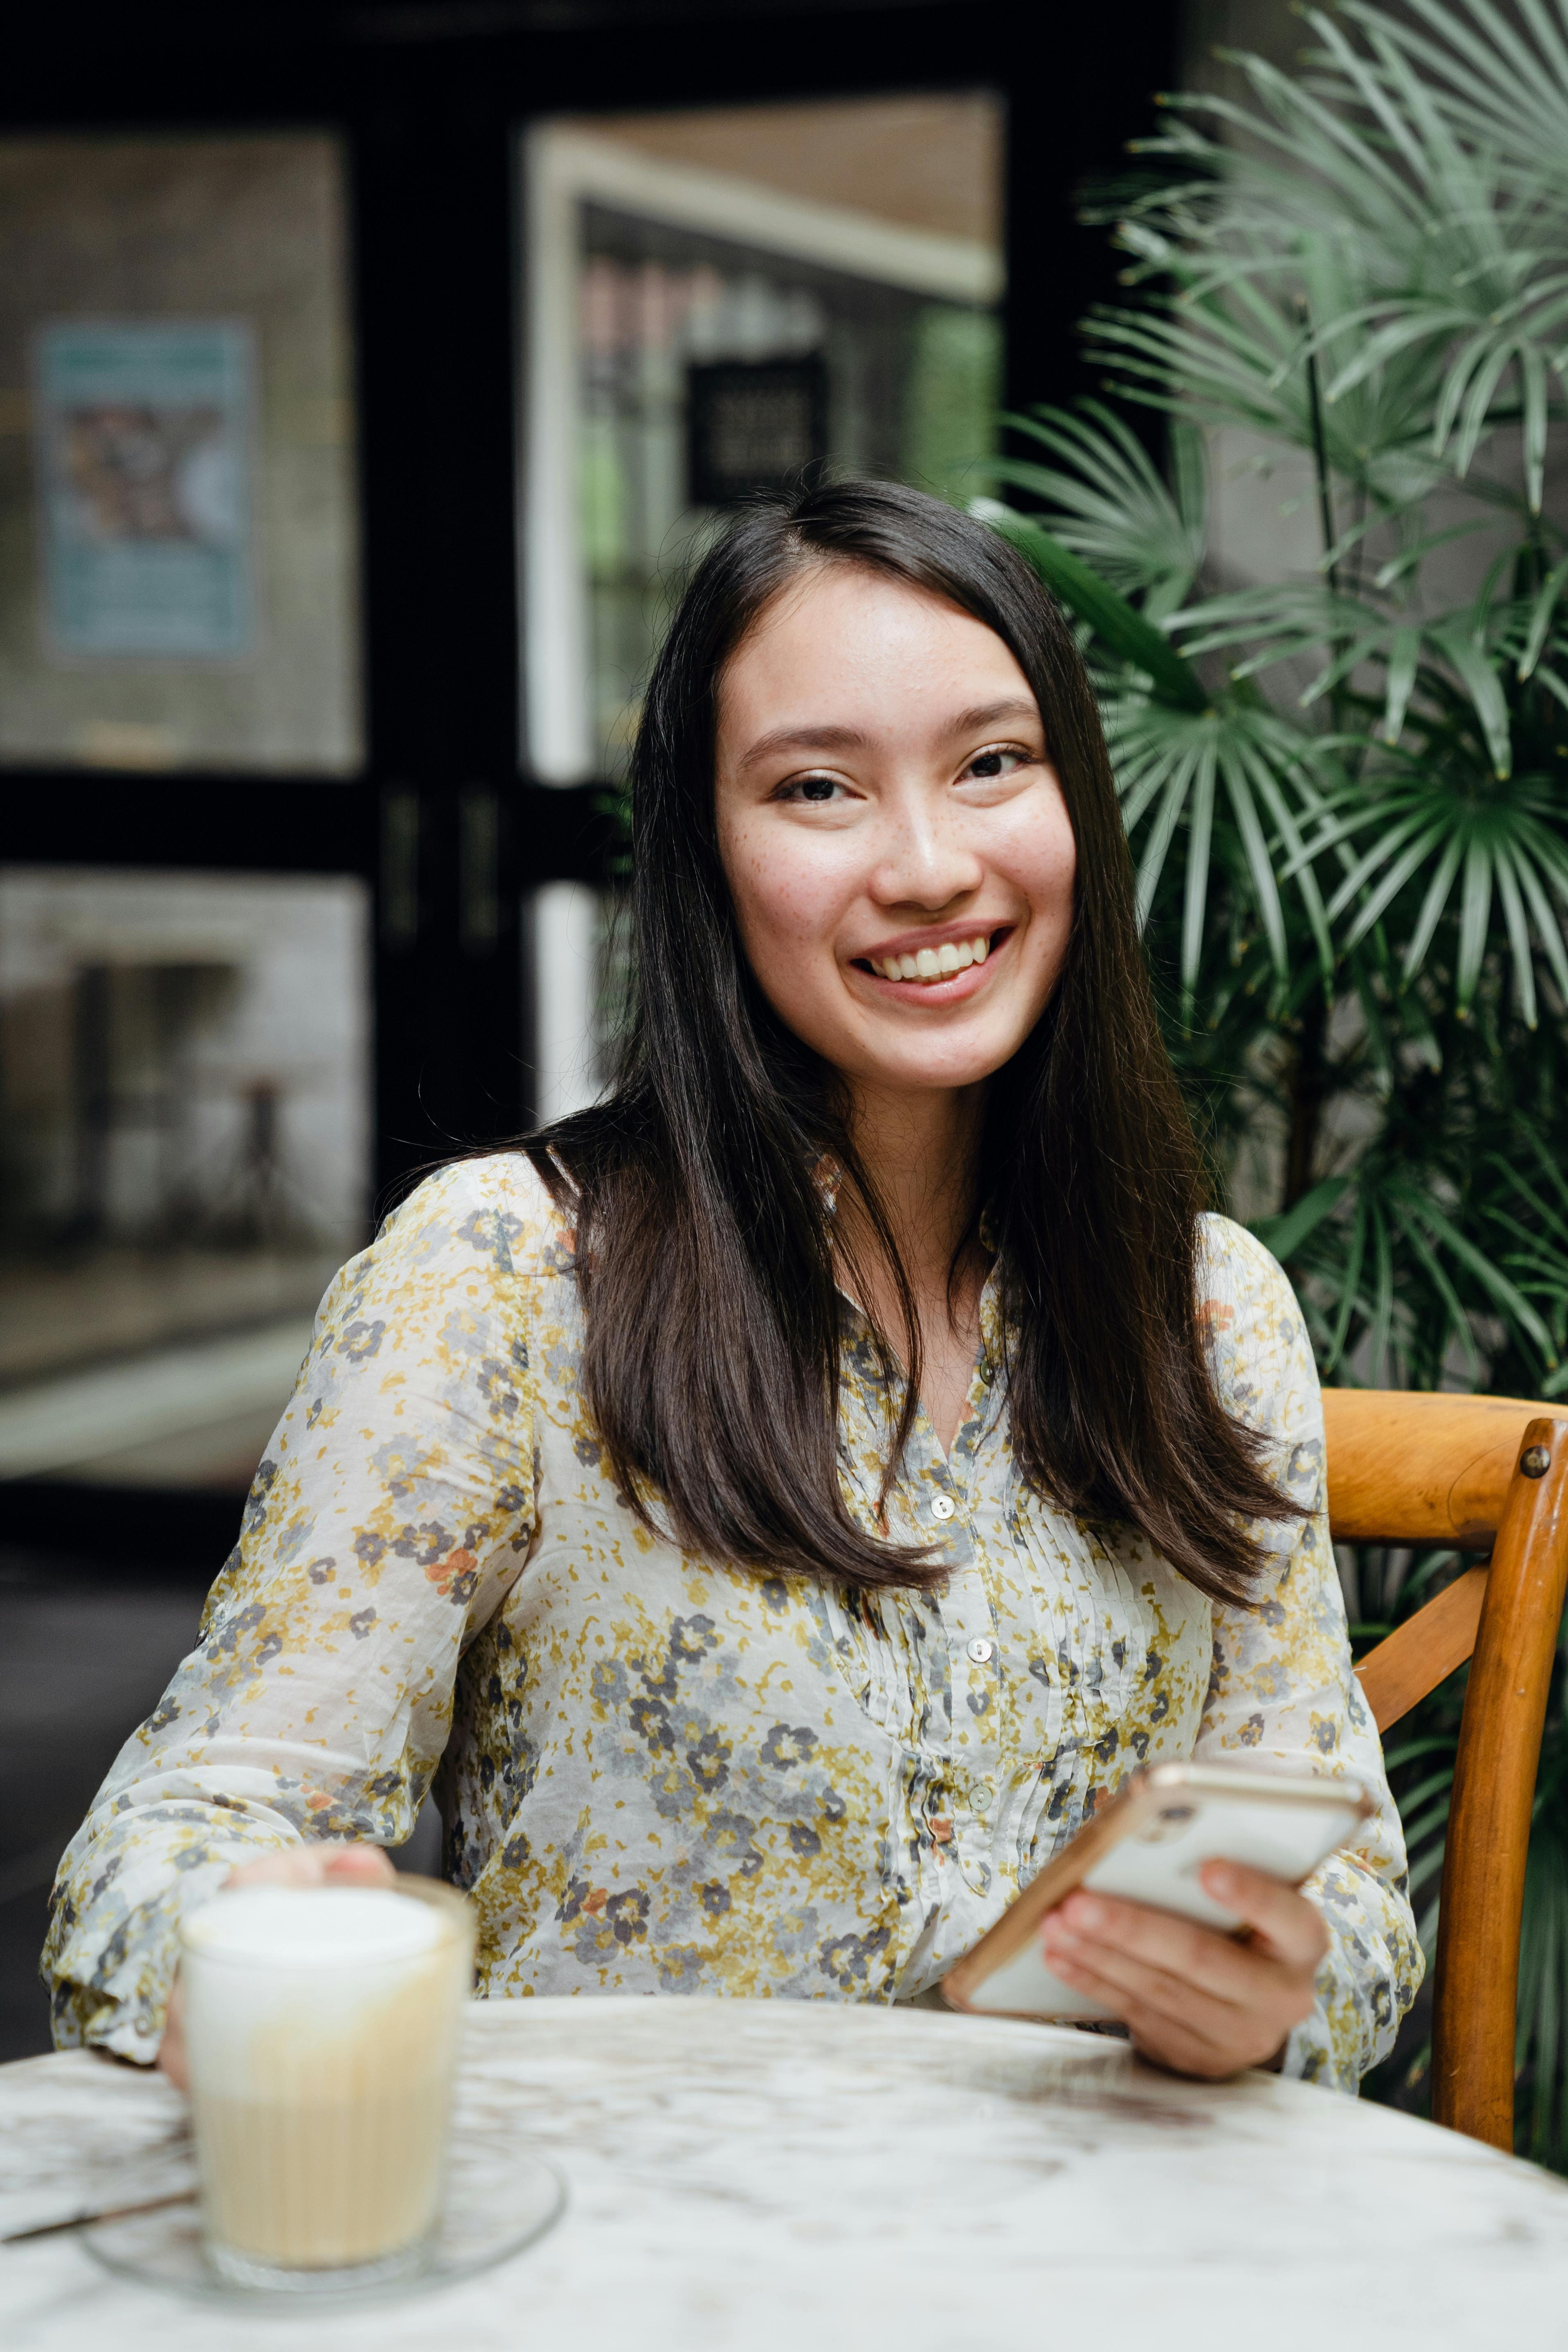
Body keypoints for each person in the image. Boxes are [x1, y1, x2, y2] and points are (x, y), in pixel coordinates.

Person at [44, 481, 1421, 2092]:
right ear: (706, 852)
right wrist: (245, 1934)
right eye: (818, 788)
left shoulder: (1204, 1311)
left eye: (992, 763)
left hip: (1075, 2268)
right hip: (636, 2265)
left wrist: (1272, 1998)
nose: (927, 865)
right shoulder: (506, 1282)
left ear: (1073, 806)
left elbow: (1353, 1907)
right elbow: (163, 1854)